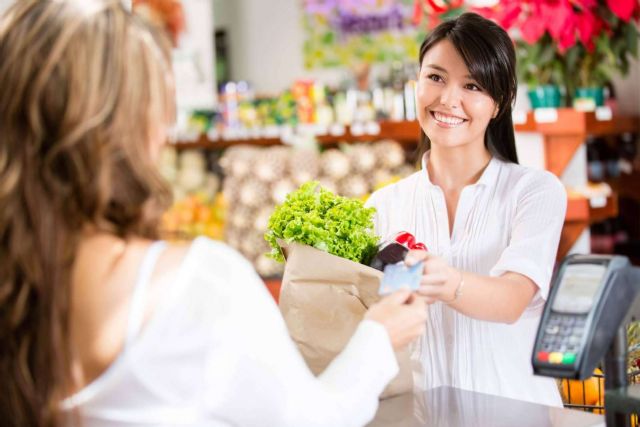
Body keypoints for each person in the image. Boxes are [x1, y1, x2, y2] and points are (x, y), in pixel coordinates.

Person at [0, 1, 427, 426]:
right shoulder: (197, 285)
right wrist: (380, 337)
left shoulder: (18, 285)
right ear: (137, 123)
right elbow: (311, 419)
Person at [366, 12, 567, 406]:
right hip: (422, 415)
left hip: (520, 414)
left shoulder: (534, 191)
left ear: (499, 103)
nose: (447, 100)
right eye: (435, 77)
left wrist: (448, 282)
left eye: (472, 85)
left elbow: (513, 299)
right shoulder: (383, 206)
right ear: (417, 82)